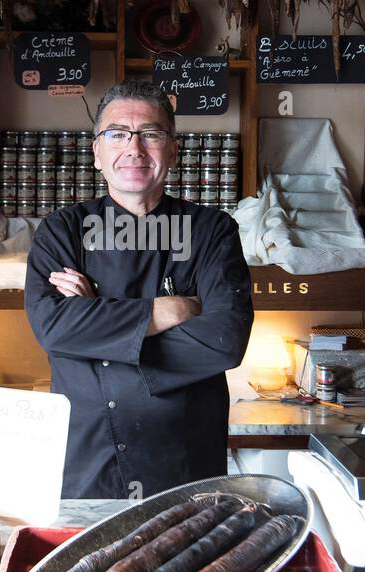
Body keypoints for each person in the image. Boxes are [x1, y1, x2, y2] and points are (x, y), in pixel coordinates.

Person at [24, 80, 255, 499]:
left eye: (151, 134)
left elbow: (224, 341)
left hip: (185, 463)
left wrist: (98, 323)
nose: (134, 148)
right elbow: (53, 328)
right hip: (87, 460)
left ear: (173, 150)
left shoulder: (212, 231)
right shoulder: (63, 230)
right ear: (97, 152)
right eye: (117, 134)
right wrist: (168, 311)